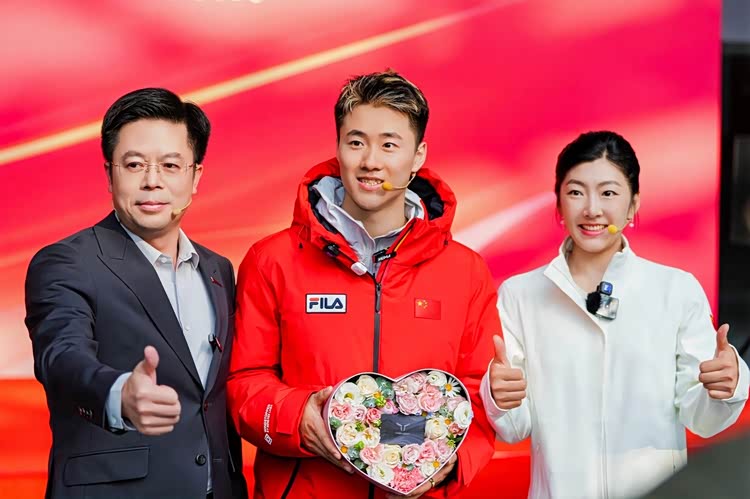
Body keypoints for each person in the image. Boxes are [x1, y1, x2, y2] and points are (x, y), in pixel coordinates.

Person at [227, 70, 498, 498]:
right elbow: (244, 381)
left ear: (418, 155)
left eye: (390, 144)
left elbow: (480, 394)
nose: (371, 161)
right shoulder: (272, 260)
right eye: (356, 142)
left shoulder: (466, 272)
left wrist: (450, 463)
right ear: (338, 148)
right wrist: (298, 418)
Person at [480, 130, 750, 499]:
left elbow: (701, 419)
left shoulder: (675, 289)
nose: (592, 209)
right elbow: (515, 427)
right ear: (558, 204)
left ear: (633, 204)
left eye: (608, 193)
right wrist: (500, 396)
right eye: (576, 192)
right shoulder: (521, 294)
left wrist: (725, 388)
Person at [25, 88, 247, 499]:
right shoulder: (67, 262)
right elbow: (61, 357)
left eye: (170, 165)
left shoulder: (218, 270)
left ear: (195, 176)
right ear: (109, 174)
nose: (152, 181)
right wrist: (119, 394)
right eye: (134, 164)